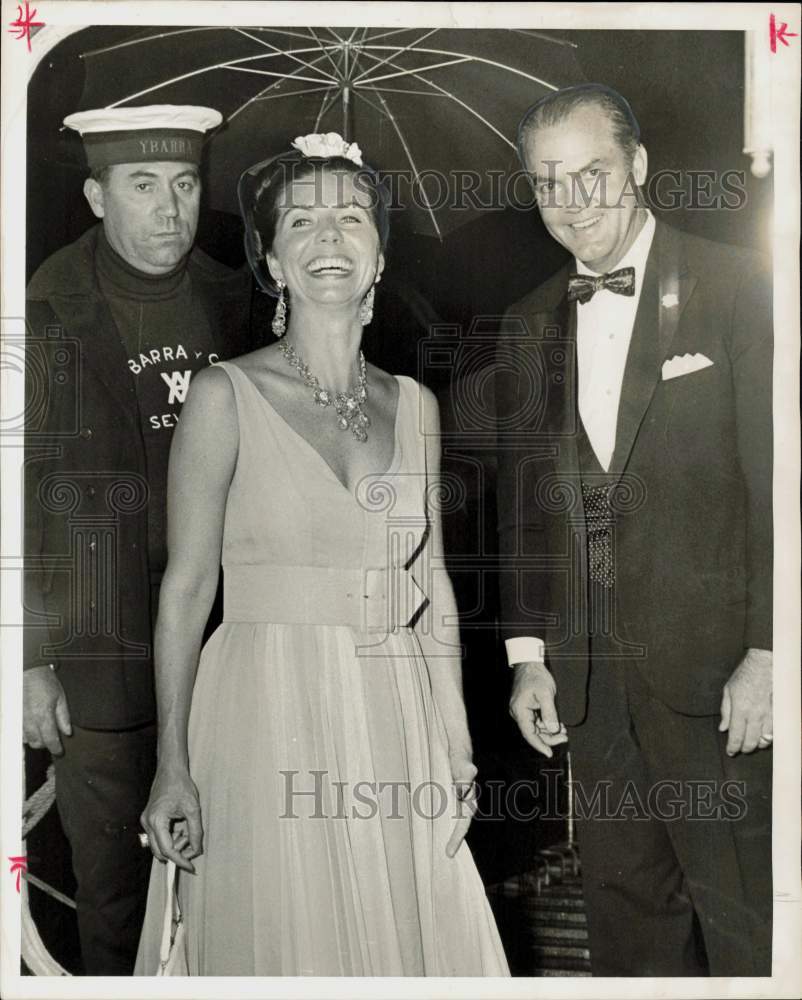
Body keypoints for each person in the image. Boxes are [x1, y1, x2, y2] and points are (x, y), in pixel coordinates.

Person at [134, 133, 510, 976]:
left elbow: (432, 584)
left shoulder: (415, 404)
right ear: (271, 259)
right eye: (300, 222)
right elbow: (187, 590)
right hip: (264, 710)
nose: (329, 239)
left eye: (350, 218)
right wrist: (172, 764)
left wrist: (453, 743)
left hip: (395, 710)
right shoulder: (223, 394)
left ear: (379, 252)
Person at [495, 84, 772, 976]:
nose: (572, 205)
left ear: (639, 167)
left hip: (722, 679)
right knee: (629, 930)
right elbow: (526, 503)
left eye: (592, 175)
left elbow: (782, 491)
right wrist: (529, 653)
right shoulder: (529, 320)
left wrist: (770, 654)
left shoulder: (740, 287)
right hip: (589, 685)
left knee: (749, 921)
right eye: (548, 185)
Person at [23, 105, 260, 974]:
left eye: (187, 184)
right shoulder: (40, 309)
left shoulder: (241, 298)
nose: (172, 209)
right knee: (117, 899)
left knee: (230, 880)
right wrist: (27, 658)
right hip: (97, 656)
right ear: (95, 194)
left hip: (226, 639)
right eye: (144, 186)